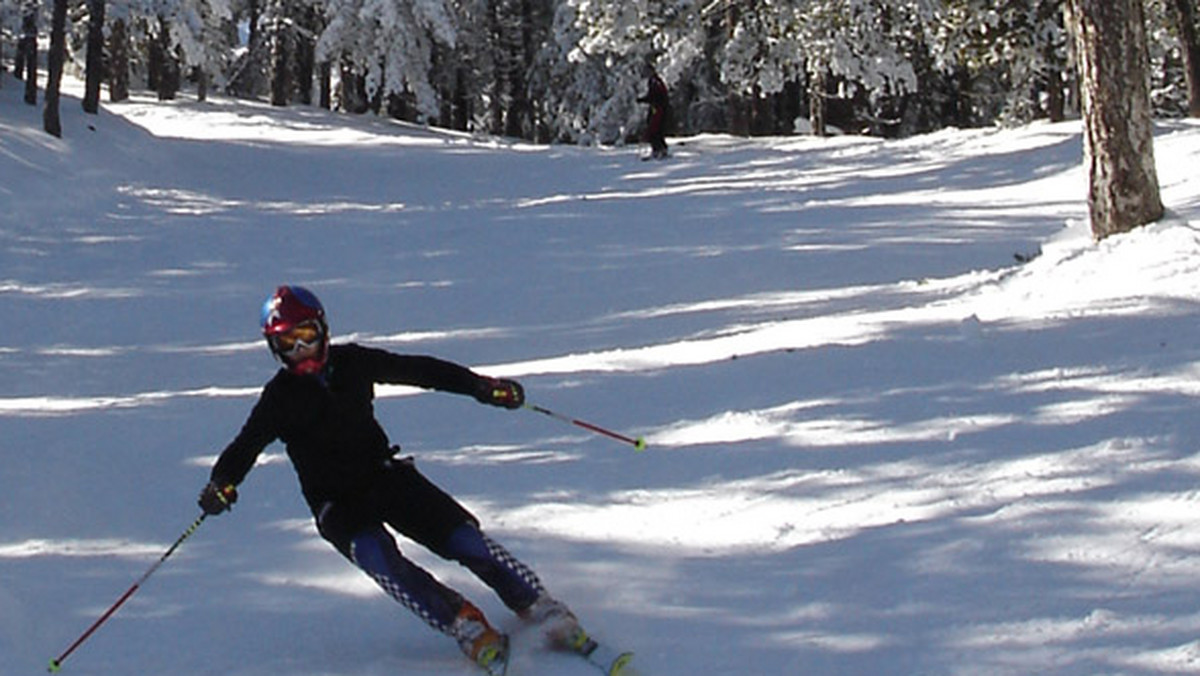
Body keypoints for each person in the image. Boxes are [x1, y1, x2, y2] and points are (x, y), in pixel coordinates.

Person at [198, 285, 583, 675]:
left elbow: (418, 370)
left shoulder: (353, 362)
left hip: (385, 476)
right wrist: (222, 484)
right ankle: (462, 622)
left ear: (323, 330)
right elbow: (244, 447)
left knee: (464, 539)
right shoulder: (278, 398)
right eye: (287, 344)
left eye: (306, 337)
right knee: (376, 556)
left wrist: (480, 386)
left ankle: (535, 603)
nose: (301, 352)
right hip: (337, 505)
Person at [637, 64, 671, 160]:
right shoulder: (652, 81)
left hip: (659, 109)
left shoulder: (656, 82)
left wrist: (649, 101)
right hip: (656, 108)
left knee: (655, 130)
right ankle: (659, 150)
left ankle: (660, 150)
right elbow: (652, 96)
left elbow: (659, 96)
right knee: (654, 130)